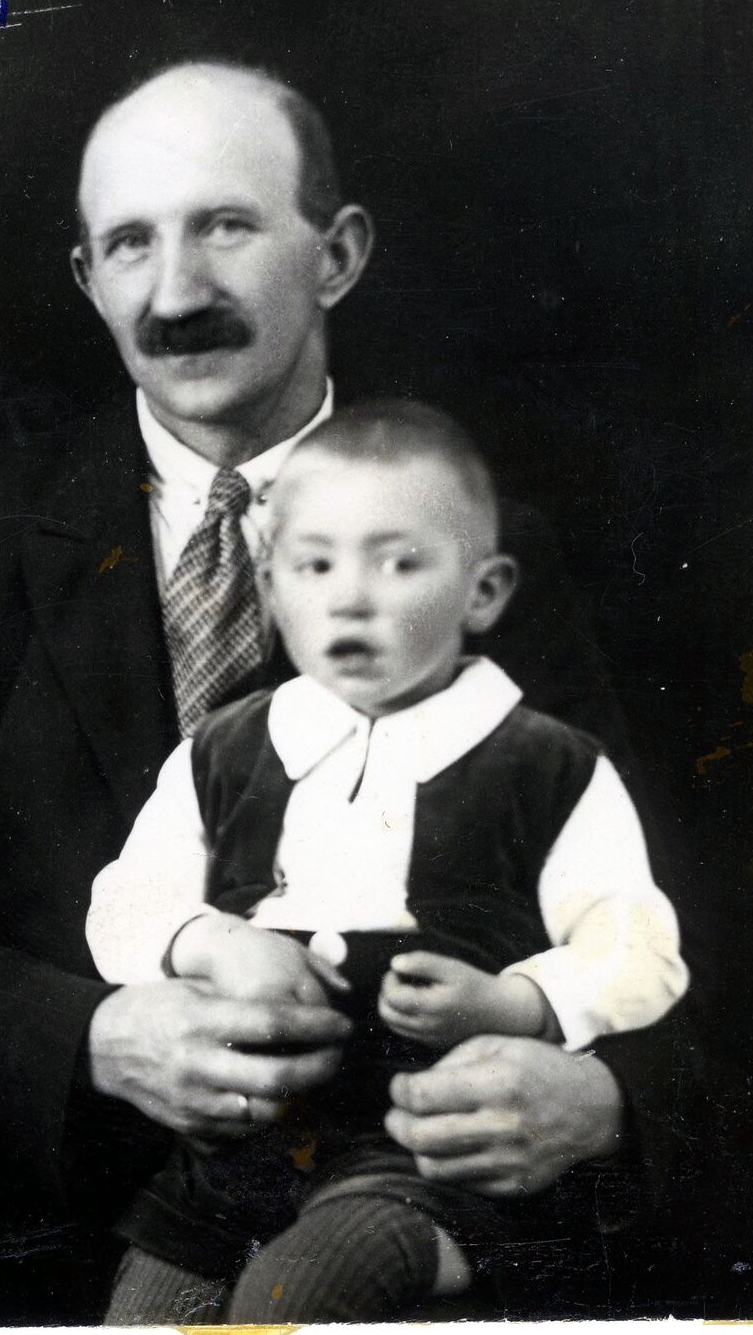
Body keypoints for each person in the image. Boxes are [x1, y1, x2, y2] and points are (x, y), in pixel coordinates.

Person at [0, 61, 658, 1319]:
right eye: (130, 244)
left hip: (405, 1198)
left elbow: (661, 897)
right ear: (87, 277)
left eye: (226, 226)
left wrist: (606, 1095)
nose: (176, 292)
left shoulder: (481, 545)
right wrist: (92, 1038)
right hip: (39, 1219)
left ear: (337, 254)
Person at [86, 401, 688, 1322]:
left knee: (298, 1292)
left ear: (483, 592)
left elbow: (637, 943)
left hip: (428, 1155)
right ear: (269, 586)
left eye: (399, 563)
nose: (350, 598)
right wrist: (208, 944)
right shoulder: (223, 751)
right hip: (237, 1154)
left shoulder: (544, 765)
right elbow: (124, 901)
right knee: (143, 1314)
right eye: (314, 565)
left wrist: (516, 1003)